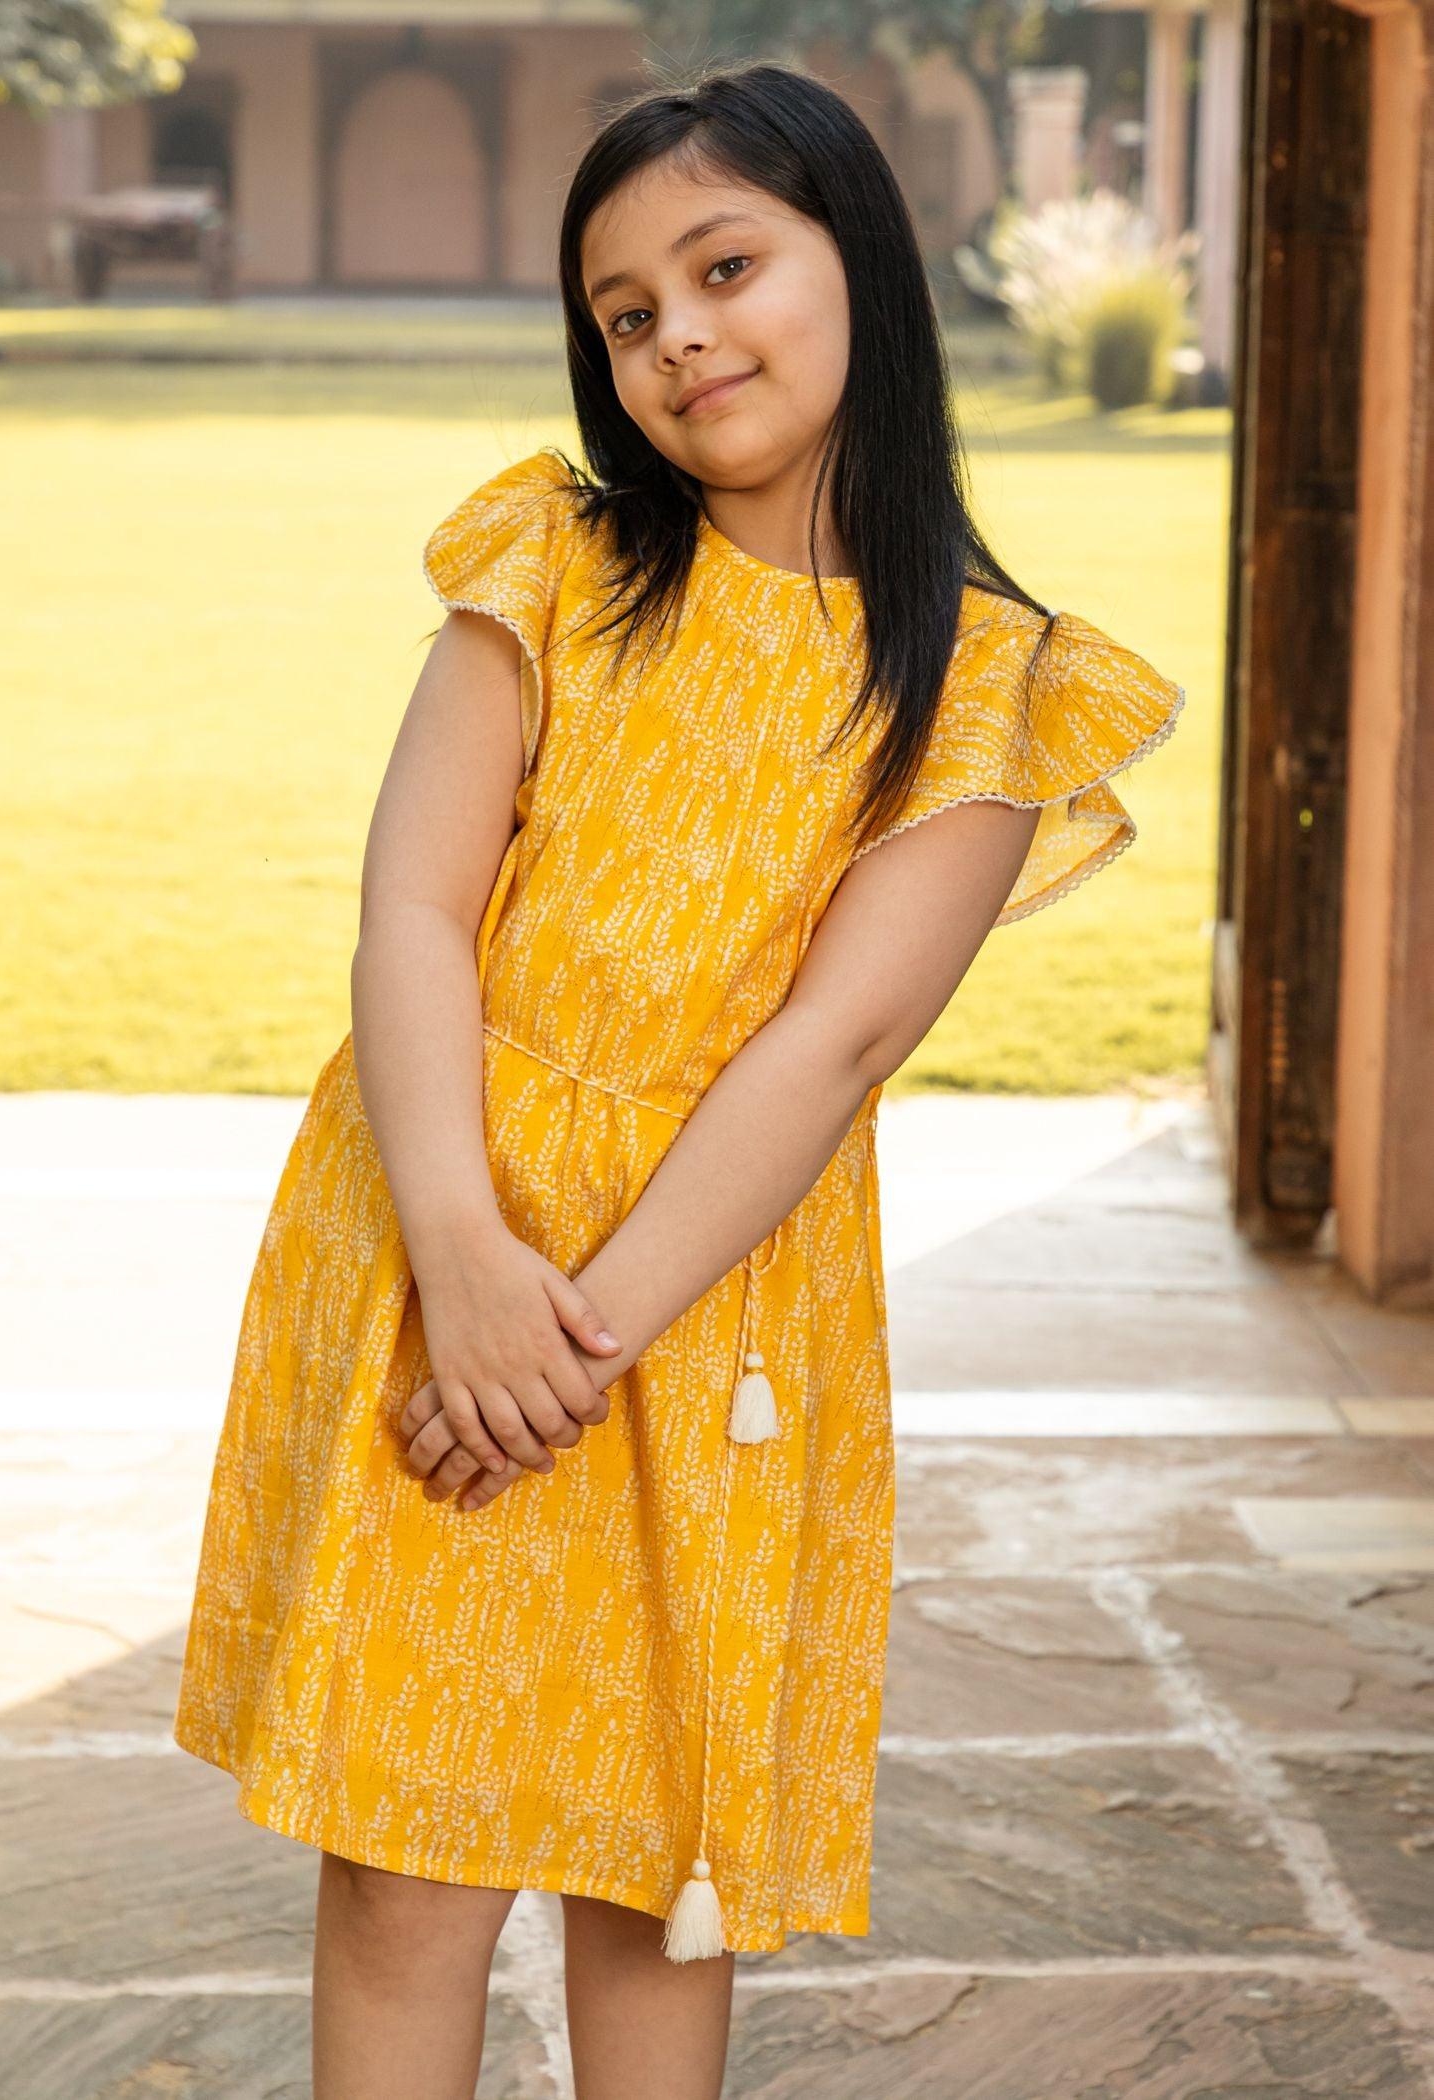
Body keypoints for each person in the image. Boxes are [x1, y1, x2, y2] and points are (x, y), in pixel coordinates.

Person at [172, 57, 1186, 2100]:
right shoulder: (551, 562)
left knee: (660, 1870)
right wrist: (464, 1257)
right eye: (626, 313)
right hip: (437, 1233)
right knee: (405, 1862)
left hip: (705, 1308)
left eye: (725, 267)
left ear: (861, 264)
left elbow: (834, 1044)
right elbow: (416, 916)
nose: (680, 338)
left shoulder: (993, 688)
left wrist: (584, 1336)